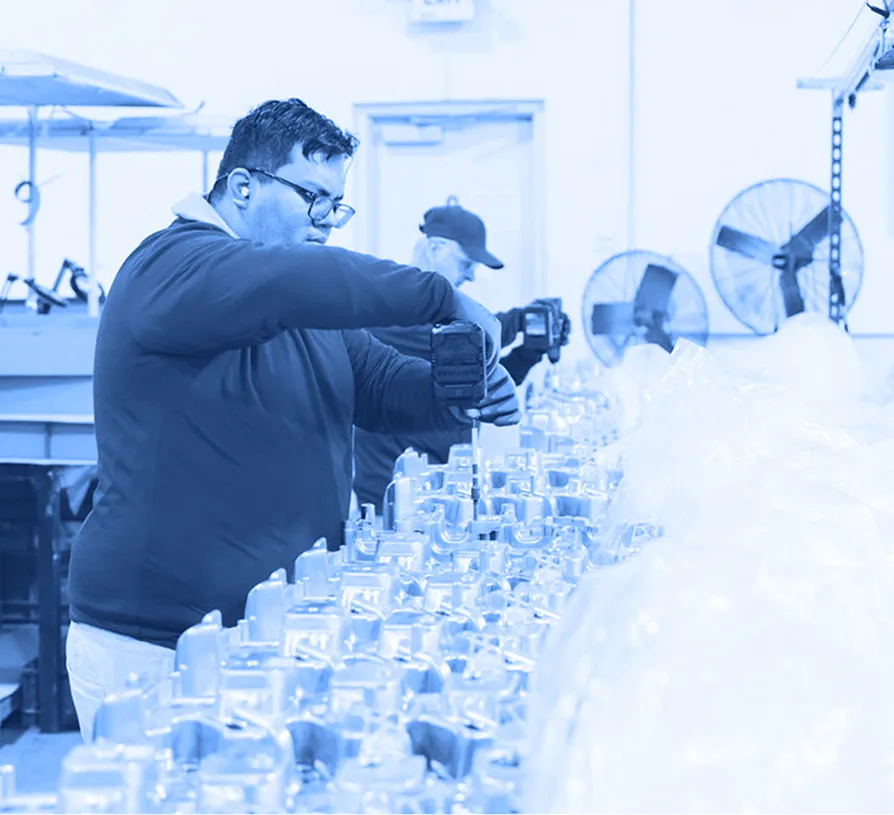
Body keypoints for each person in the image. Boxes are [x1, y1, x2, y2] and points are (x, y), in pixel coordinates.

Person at [65, 99, 520, 741]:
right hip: (158, 648)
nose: (327, 221)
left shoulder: (292, 296)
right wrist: (441, 294)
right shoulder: (172, 266)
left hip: (266, 641)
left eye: (336, 205)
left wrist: (459, 383)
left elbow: (383, 384)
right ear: (243, 187)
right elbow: (292, 280)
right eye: (313, 198)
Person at [352, 203, 571, 512]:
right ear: (435, 247)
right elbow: (456, 343)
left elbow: (472, 386)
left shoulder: (439, 314)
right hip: (393, 498)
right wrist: (517, 320)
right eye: (467, 262)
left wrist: (528, 352)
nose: (471, 275)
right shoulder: (387, 304)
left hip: (445, 489)